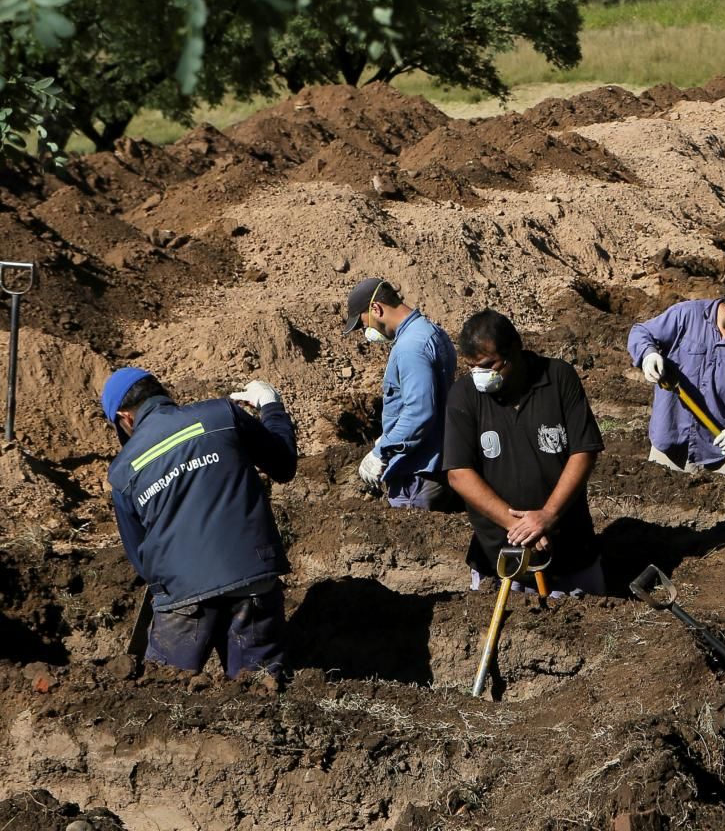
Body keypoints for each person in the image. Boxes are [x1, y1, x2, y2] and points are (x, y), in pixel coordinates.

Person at [101, 367, 297, 677]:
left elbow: (140, 557)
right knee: (262, 690)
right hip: (253, 578)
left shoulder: (123, 471)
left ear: (126, 418)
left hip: (182, 595)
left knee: (162, 696)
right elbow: (283, 464)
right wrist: (271, 406)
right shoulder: (221, 414)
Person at [443, 309, 606, 596]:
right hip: (500, 558)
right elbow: (459, 473)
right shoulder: (465, 394)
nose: (481, 376)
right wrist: (518, 525)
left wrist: (548, 514)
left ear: (515, 349)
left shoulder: (558, 378)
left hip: (570, 549)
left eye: (489, 365)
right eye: (473, 367)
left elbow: (584, 451)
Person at [627, 282, 725, 475]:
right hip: (670, 441)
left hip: (718, 450)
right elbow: (641, 332)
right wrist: (648, 354)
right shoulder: (687, 315)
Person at [343, 277, 458, 510]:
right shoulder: (430, 331)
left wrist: (382, 450)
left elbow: (420, 411)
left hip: (419, 473)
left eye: (364, 324)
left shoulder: (410, 348)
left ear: (376, 309)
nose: (366, 331)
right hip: (438, 462)